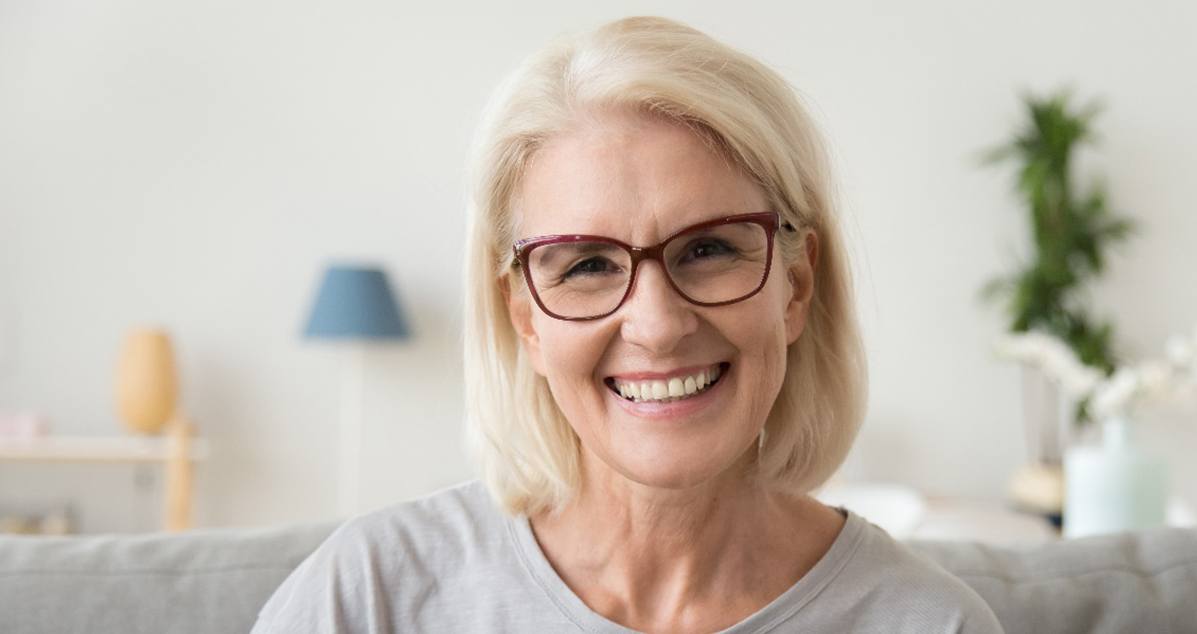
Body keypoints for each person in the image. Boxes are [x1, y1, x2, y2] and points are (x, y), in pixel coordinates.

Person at [253, 16, 1003, 634]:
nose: (656, 324)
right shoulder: (368, 597)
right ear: (525, 319)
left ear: (796, 285)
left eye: (708, 248)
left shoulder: (930, 623)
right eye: (585, 264)